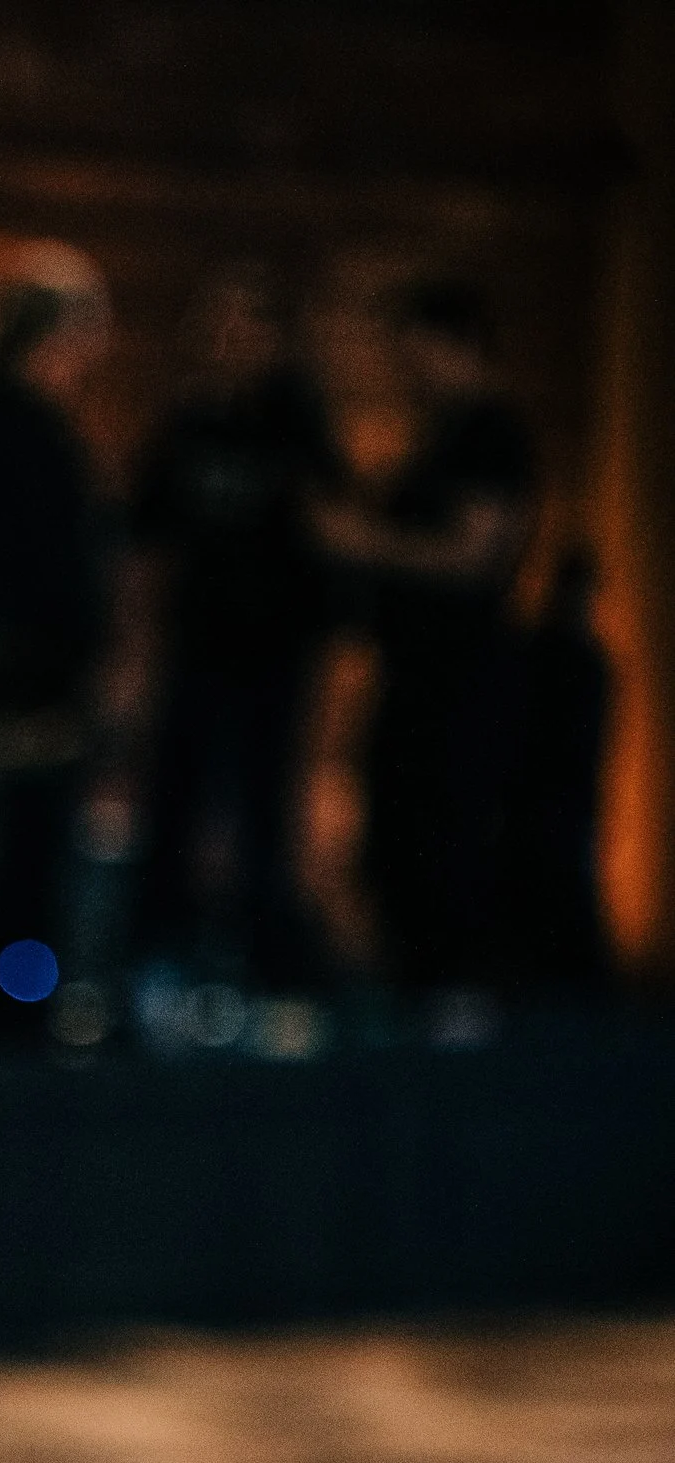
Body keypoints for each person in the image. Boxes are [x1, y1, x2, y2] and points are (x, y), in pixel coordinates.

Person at [318, 276, 538, 993]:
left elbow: (476, 555)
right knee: (397, 822)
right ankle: (415, 980)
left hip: (461, 671)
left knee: (448, 824)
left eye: (419, 354)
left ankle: (457, 987)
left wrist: (365, 541)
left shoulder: (491, 432)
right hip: (414, 667)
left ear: (456, 344)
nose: (411, 373)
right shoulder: (439, 435)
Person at [123, 266, 341, 986]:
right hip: (198, 645)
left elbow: (335, 534)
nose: (226, 341)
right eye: (216, 326)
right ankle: (157, 958)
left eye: (242, 325)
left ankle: (264, 962)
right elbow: (146, 536)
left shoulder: (299, 426)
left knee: (265, 809)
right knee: (174, 798)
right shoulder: (188, 422)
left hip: (275, 652)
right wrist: (134, 643)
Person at [0, 250, 114, 976]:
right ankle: (14, 988)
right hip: (29, 659)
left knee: (26, 829)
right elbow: (42, 559)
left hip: (22, 653)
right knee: (26, 829)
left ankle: (12, 981)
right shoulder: (18, 428)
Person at [501, 544, 613, 989]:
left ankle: (575, 988)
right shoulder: (543, 654)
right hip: (538, 798)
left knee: (567, 889)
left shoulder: (590, 661)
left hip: (568, 798)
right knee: (539, 889)